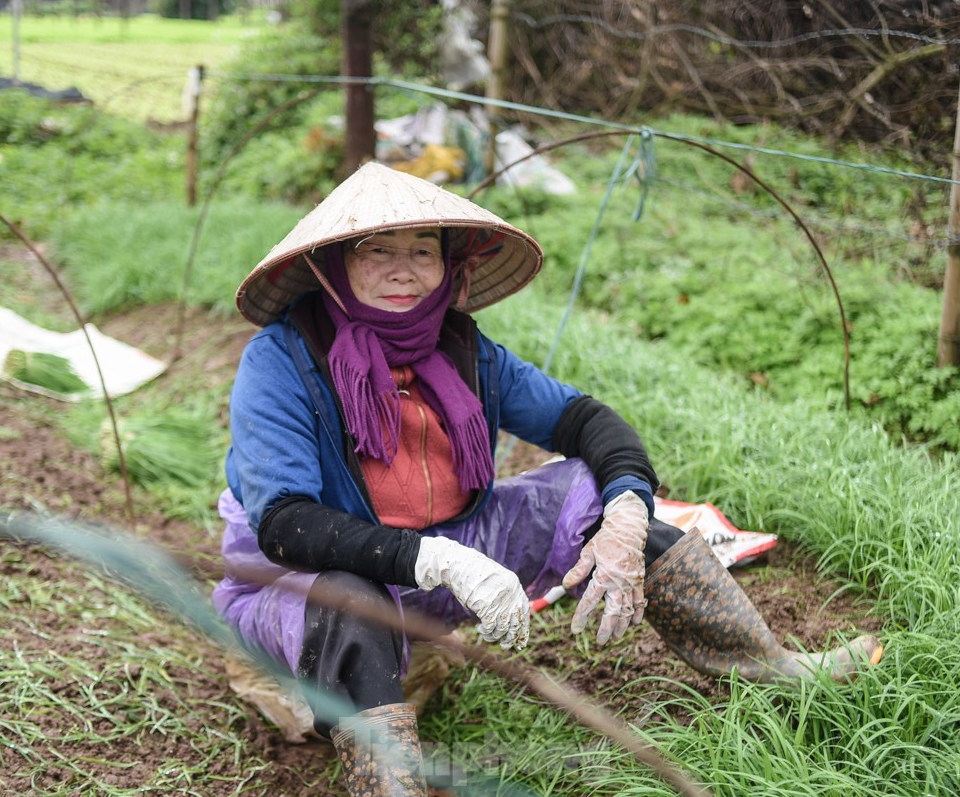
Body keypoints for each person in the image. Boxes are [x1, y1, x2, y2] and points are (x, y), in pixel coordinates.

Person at [214, 162, 882, 796]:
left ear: (447, 265)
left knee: (601, 501)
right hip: (301, 582)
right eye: (377, 251)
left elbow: (584, 421)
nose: (404, 270)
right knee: (346, 597)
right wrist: (435, 559)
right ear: (334, 265)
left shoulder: (461, 347)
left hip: (448, 550)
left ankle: (773, 668)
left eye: (422, 250)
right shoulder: (282, 360)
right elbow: (286, 524)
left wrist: (626, 513)